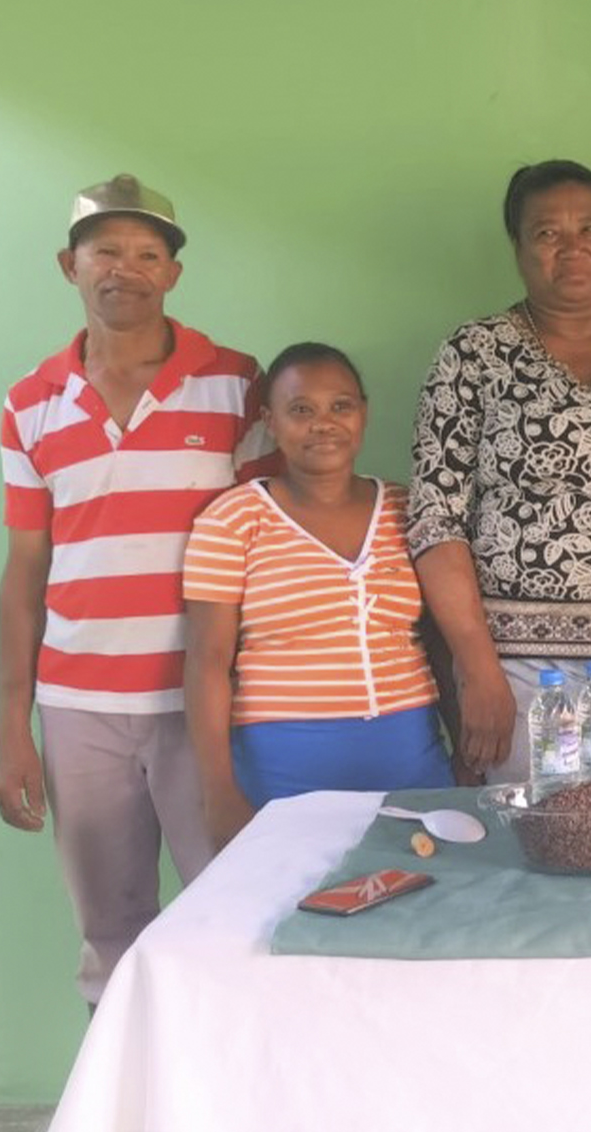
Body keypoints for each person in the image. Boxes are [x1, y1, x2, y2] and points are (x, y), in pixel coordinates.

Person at [0, 174, 277, 1006]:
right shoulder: (29, 405)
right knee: (111, 935)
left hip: (203, 699)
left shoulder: (236, 383)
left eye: (149, 253)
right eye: (106, 250)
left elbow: (266, 540)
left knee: (235, 916)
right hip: (78, 707)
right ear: (69, 265)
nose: (127, 267)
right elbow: (24, 573)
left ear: (173, 274)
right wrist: (15, 725)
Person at [408, 161, 591, 784]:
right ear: (517, 248)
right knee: (543, 843)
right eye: (547, 233)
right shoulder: (473, 353)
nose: (573, 248)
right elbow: (437, 520)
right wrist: (478, 670)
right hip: (521, 666)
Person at [184, 343, 452, 848]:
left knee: (426, 897)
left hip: (408, 748)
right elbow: (207, 661)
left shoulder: (409, 509)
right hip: (282, 759)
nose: (323, 423)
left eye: (341, 406)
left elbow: (439, 640)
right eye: (301, 410)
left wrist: (464, 749)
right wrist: (217, 791)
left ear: (363, 413)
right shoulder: (232, 520)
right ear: (271, 420)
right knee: (297, 909)